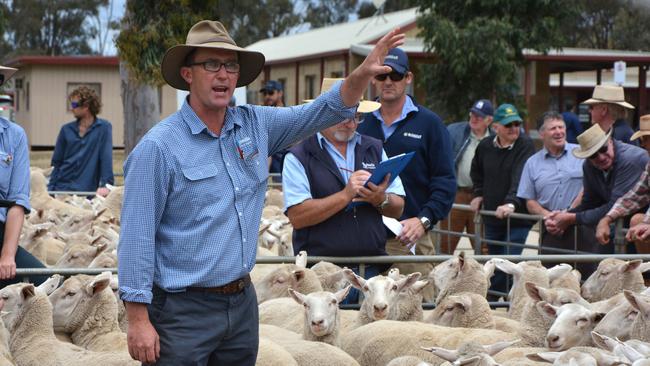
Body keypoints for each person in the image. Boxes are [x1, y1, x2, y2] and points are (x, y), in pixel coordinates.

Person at [117, 19, 405, 365]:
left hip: (240, 305)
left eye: (231, 65)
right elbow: (136, 237)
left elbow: (319, 112)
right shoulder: (158, 148)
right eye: (211, 64)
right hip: (182, 311)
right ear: (188, 74)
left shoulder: (256, 124)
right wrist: (137, 320)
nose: (223, 75)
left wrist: (359, 76)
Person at [282, 78, 405, 303]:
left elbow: (398, 207)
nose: (349, 123)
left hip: (370, 272)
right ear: (321, 113)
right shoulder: (299, 156)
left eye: (355, 115)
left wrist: (380, 199)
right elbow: (298, 216)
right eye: (341, 116)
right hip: (322, 274)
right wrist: (345, 195)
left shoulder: (374, 149)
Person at [356, 47, 456, 259]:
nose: (388, 81)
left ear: (408, 78)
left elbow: (445, 181)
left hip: (409, 239)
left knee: (419, 293)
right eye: (382, 75)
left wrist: (423, 220)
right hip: (362, 240)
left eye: (396, 75)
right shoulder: (359, 122)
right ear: (373, 79)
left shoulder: (430, 124)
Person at [547, 124, 647, 273]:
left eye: (603, 149)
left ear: (611, 142)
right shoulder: (589, 166)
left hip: (633, 230)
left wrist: (571, 217)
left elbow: (617, 203)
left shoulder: (631, 159)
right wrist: (563, 216)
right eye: (593, 155)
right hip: (622, 229)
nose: (600, 157)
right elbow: (592, 202)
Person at [470, 103, 535, 297]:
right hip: (493, 216)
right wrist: (478, 194)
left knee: (507, 261)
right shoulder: (485, 146)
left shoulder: (525, 145)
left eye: (517, 123)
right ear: (496, 127)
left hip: (518, 217)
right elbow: (477, 172)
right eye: (508, 125)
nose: (514, 128)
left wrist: (511, 202)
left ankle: (488, 297)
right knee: (495, 258)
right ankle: (505, 301)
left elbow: (521, 175)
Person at [0, 65, 47, 288]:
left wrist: (8, 256)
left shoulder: (14, 135)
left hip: (2, 235)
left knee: (48, 286)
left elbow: (18, 200)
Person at [517, 112, 587, 255]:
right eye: (553, 128)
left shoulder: (582, 154)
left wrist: (567, 215)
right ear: (542, 133)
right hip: (550, 230)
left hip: (582, 226)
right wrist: (548, 217)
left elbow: (589, 187)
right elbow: (529, 200)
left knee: (585, 276)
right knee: (551, 275)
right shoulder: (532, 163)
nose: (559, 132)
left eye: (561, 127)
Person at [442, 99, 495, 254]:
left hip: (481, 198)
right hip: (456, 194)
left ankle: (482, 278)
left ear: (489, 120)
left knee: (483, 247)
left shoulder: (494, 140)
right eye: (472, 114)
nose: (474, 118)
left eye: (479, 116)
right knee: (444, 244)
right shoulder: (455, 132)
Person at [596, 114, 650, 254]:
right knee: (637, 221)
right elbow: (636, 195)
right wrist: (607, 218)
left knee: (638, 221)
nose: (642, 144)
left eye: (646, 139)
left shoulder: (631, 158)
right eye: (592, 155)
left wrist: (646, 223)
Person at [48, 86, 114, 197]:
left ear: (86, 106)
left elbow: (106, 158)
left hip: (86, 192)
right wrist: (50, 190)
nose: (71, 108)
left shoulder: (104, 128)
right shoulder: (66, 130)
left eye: (74, 105)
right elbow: (56, 163)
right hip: (62, 188)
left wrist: (106, 185)